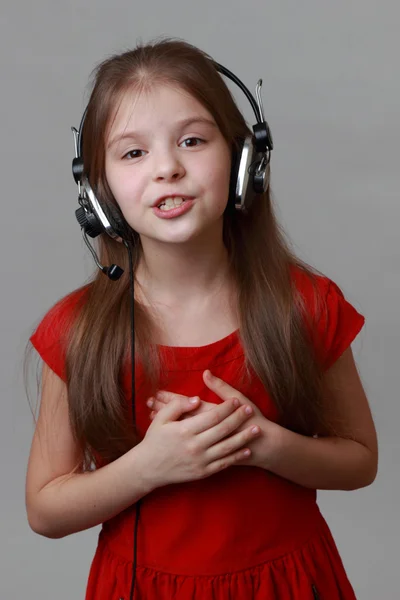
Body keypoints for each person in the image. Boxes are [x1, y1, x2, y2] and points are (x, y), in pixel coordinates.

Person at [25, 38, 378, 600]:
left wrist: (264, 443)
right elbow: (45, 509)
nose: (167, 168)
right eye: (133, 153)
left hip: (286, 584)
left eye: (192, 141)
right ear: (97, 192)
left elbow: (360, 462)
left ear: (244, 162)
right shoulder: (77, 329)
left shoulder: (306, 304)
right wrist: (150, 466)